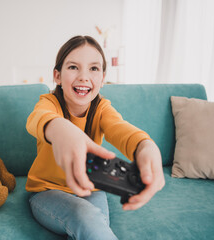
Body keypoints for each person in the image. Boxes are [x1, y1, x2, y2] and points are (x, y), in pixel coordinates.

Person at [25, 35, 165, 240]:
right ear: (57, 75)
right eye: (73, 67)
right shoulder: (49, 104)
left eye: (93, 68)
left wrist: (145, 146)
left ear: (102, 78)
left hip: (91, 188)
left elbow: (121, 129)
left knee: (95, 225)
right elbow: (37, 119)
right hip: (46, 191)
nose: (83, 76)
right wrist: (61, 129)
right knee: (85, 216)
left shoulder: (101, 109)